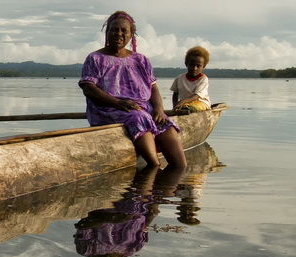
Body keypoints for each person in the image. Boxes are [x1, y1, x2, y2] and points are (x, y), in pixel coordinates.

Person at [79, 11, 187, 169]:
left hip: (142, 108)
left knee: (165, 124)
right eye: (114, 30)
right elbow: (89, 89)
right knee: (139, 117)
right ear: (107, 32)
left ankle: (179, 172)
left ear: (131, 35)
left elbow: (153, 88)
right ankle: (154, 168)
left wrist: (158, 109)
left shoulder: (141, 60)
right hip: (108, 109)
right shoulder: (95, 58)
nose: (119, 33)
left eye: (124, 31)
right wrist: (118, 103)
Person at [171, 45, 212, 111]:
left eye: (198, 66)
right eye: (192, 65)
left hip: (201, 103)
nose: (194, 68)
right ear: (186, 64)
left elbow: (197, 95)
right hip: (184, 104)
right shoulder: (179, 78)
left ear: (203, 66)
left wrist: (183, 101)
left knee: (191, 108)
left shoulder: (203, 79)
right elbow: (175, 94)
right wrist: (174, 106)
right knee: (185, 108)